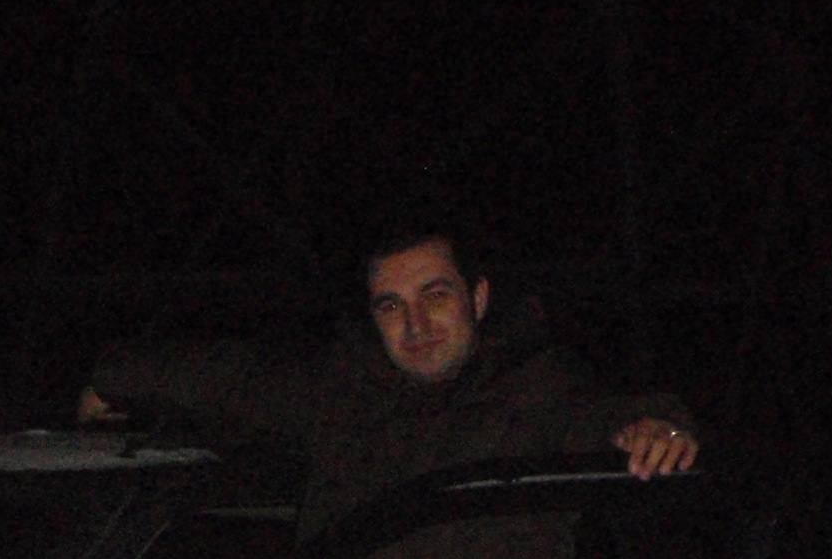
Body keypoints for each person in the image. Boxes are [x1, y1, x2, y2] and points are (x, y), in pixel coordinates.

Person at [79, 224, 698, 542]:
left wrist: (656, 429)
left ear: (479, 299)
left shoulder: (533, 394)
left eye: (436, 296)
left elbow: (611, 416)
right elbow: (231, 377)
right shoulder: (339, 395)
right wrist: (114, 377)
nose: (417, 325)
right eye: (392, 306)